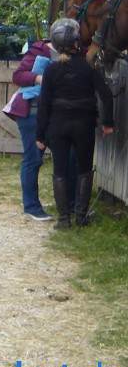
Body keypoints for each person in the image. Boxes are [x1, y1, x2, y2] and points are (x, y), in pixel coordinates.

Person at [36, 18, 114, 229]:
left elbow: (43, 105)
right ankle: (81, 217)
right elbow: (106, 96)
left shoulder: (51, 70)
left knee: (60, 171)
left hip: (58, 126)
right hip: (84, 125)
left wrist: (40, 135)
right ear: (76, 42)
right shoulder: (88, 68)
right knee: (84, 169)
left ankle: (63, 220)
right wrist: (107, 122)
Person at [8, 36, 66, 221]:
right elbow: (18, 76)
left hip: (56, 116)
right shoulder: (38, 51)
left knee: (67, 158)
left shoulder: (74, 52)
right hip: (31, 113)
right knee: (33, 159)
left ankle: (68, 203)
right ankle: (31, 206)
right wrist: (42, 78)